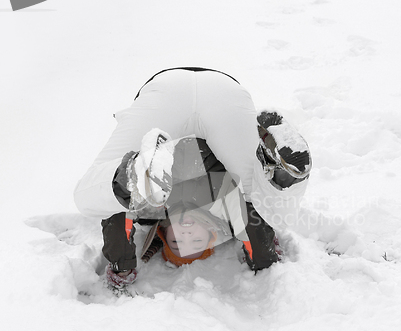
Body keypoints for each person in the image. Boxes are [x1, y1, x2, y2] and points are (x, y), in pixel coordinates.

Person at [74, 67, 312, 290]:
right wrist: (265, 259)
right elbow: (258, 239)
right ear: (210, 231)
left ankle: (131, 174)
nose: (185, 235)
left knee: (98, 194)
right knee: (262, 200)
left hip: (165, 96)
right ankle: (283, 175)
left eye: (176, 243)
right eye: (196, 243)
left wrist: (122, 268)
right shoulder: (230, 210)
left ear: (162, 234)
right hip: (224, 97)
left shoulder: (150, 208)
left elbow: (116, 217)